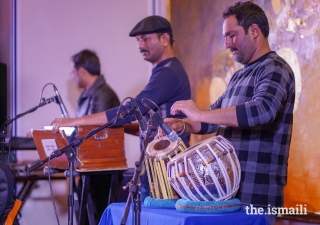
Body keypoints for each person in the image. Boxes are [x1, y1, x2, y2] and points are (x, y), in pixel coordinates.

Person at [159, 2, 295, 225]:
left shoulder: (275, 68)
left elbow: (262, 111)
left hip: (257, 196)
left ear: (254, 31)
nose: (227, 44)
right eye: (225, 37)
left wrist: (199, 113)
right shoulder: (239, 77)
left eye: (232, 35)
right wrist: (182, 125)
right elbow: (212, 119)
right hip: (228, 193)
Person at [51, 16, 191, 203]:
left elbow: (131, 110)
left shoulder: (168, 72)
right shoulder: (163, 71)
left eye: (145, 39)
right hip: (158, 168)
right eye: (137, 40)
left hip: (166, 170)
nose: (140, 45)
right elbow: (149, 126)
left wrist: (73, 121)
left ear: (164, 39)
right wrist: (119, 128)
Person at [70, 49, 121, 224]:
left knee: (98, 218)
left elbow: (93, 132)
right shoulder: (90, 94)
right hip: (91, 169)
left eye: (73, 71)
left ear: (81, 71)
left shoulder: (103, 93)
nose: (73, 76)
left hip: (102, 172)